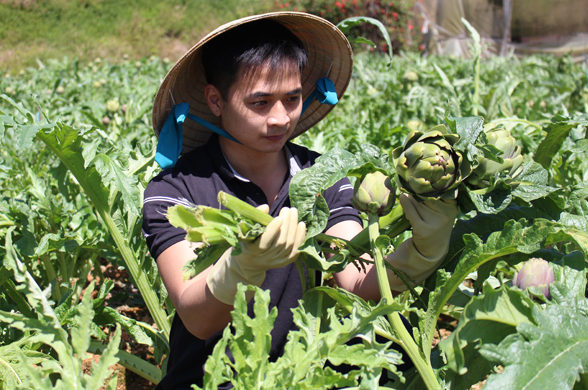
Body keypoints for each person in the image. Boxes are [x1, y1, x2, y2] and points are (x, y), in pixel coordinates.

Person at [142, 12, 457, 389]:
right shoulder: (174, 191)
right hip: (210, 381)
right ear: (215, 100)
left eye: (291, 99)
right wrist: (239, 269)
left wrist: (422, 252)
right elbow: (197, 318)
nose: (280, 118)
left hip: (306, 376)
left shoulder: (323, 177)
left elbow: (355, 281)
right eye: (260, 103)